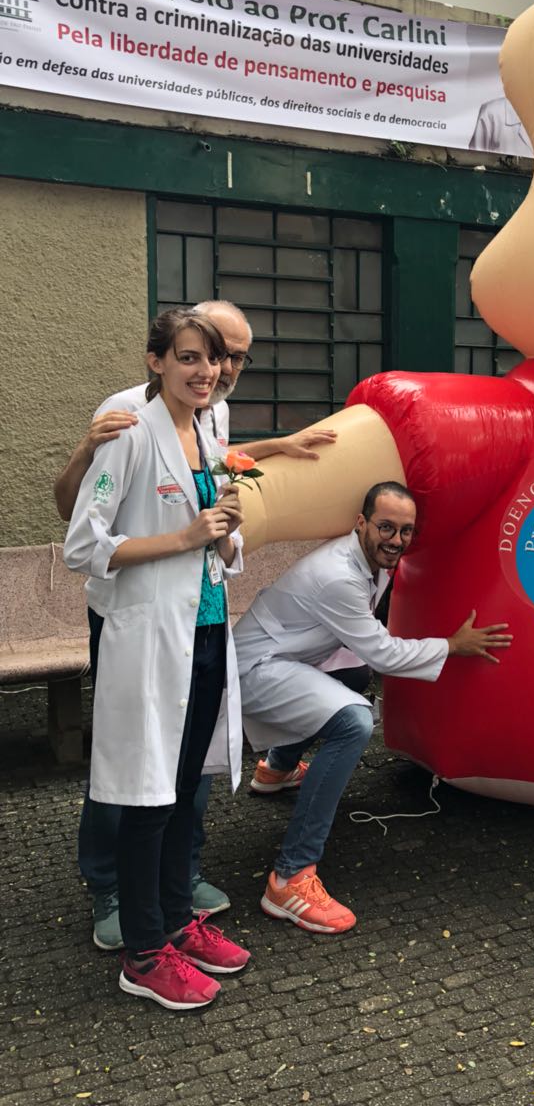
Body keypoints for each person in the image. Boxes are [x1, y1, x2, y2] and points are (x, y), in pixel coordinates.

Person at [55, 299, 336, 949]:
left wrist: (283, 448)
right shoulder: (124, 418)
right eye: (206, 353)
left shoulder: (213, 412)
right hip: (134, 615)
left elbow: (212, 464)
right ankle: (112, 888)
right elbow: (81, 522)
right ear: (161, 360)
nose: (222, 367)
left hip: (200, 612)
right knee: (130, 760)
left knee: (189, 761)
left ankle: (176, 882)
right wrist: (182, 535)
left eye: (233, 356)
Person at [63, 308, 250, 1009]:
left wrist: (227, 531)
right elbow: (83, 545)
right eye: (189, 358)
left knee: (183, 791)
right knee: (149, 797)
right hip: (146, 638)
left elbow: (217, 543)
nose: (206, 372)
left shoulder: (207, 431)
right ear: (156, 362)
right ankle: (143, 952)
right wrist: (185, 536)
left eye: (214, 360)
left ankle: (177, 919)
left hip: (202, 632)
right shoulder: (129, 433)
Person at [234, 481, 513, 934]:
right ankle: (289, 878)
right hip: (258, 667)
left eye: (406, 531)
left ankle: (277, 769)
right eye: (386, 527)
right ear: (361, 523)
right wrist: (452, 645)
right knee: (354, 720)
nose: (396, 540)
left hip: (289, 654)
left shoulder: (372, 559)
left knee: (353, 675)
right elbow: (385, 654)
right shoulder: (338, 575)